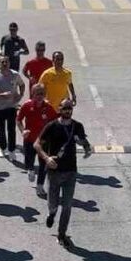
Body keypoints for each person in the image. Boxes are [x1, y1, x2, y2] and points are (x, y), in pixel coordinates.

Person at [34, 99, 91, 247]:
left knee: (67, 205)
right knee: (53, 203)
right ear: (59, 109)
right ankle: (51, 213)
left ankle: (62, 234)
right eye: (65, 108)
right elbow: (37, 144)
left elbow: (82, 140)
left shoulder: (77, 126)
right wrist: (46, 159)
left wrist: (86, 148)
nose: (68, 111)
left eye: (70, 108)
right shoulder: (52, 126)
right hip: (54, 172)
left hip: (71, 171)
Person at [17, 84, 59, 197]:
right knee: (29, 161)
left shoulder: (48, 107)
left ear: (44, 95)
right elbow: (19, 120)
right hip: (29, 140)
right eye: (37, 94)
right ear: (33, 94)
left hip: (43, 142)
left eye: (42, 94)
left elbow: (55, 122)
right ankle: (30, 169)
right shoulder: (26, 105)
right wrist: (23, 131)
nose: (39, 96)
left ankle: (40, 185)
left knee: (43, 164)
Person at [0, 55, 26, 159]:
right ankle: (3, 149)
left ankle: (12, 150)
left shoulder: (15, 74)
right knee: (1, 130)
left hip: (11, 106)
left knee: (11, 129)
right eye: (2, 62)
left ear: (9, 63)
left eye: (6, 62)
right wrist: (1, 95)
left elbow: (22, 85)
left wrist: (20, 95)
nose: (4, 64)